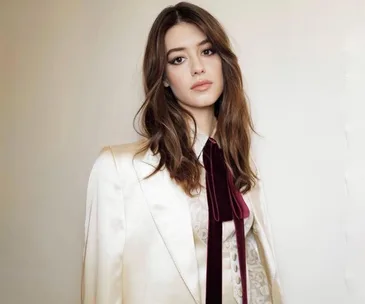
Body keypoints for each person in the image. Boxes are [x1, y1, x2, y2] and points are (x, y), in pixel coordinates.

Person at [81, 2, 283, 304]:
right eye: (178, 59)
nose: (197, 67)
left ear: (224, 61)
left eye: (207, 51)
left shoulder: (240, 164)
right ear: (162, 76)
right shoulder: (118, 169)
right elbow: (102, 291)